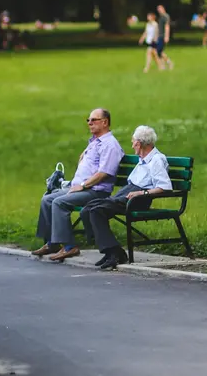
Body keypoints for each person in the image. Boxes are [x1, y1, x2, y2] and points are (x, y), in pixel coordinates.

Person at [33, 108, 124, 261]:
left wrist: (83, 185)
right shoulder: (95, 142)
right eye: (88, 120)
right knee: (47, 199)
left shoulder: (110, 145)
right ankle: (52, 243)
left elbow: (105, 173)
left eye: (93, 120)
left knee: (59, 202)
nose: (89, 123)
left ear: (105, 122)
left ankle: (69, 246)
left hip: (95, 191)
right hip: (82, 188)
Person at [80, 125, 172, 270]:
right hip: (128, 193)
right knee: (87, 209)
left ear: (139, 144)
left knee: (97, 211)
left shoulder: (156, 160)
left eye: (133, 142)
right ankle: (111, 251)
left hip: (138, 199)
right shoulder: (143, 159)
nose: (132, 145)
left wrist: (142, 193)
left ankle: (114, 253)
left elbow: (165, 187)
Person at [155, 5, 174, 70]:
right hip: (159, 36)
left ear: (163, 9)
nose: (159, 11)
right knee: (159, 51)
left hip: (163, 36)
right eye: (158, 10)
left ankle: (169, 62)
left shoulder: (166, 16)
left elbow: (167, 26)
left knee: (159, 51)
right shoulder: (160, 17)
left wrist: (166, 36)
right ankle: (163, 66)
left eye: (160, 9)